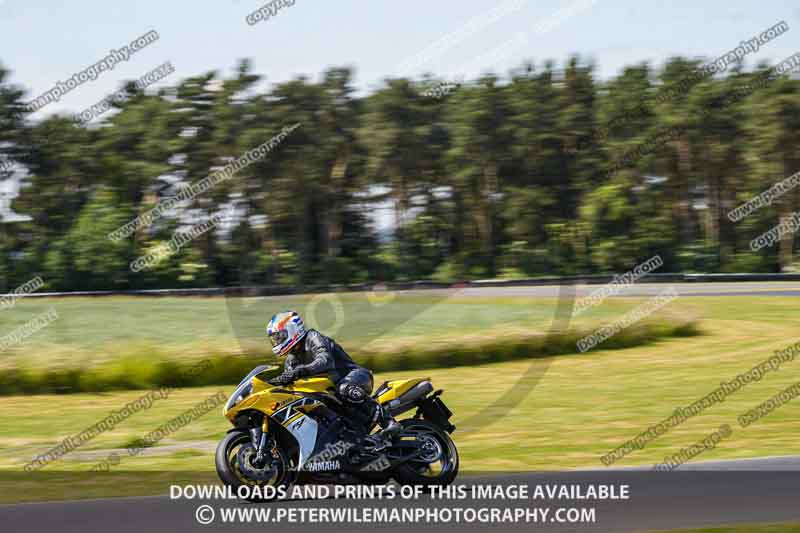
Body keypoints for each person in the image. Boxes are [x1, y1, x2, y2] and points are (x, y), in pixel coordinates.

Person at [265, 310, 400, 450]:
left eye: (280, 336)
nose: (277, 341)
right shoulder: (291, 361)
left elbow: (325, 361)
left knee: (344, 388)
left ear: (292, 329)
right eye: (274, 338)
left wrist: (300, 371)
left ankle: (389, 423)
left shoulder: (312, 337)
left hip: (354, 376)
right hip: (329, 393)